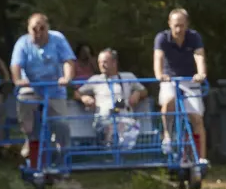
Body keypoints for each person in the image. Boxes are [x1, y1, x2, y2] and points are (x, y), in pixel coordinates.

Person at [10, 14, 77, 165]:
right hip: (31, 87)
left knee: (61, 124)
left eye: (42, 29)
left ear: (48, 28)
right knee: (25, 109)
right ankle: (31, 143)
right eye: (34, 29)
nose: (38, 33)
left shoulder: (58, 39)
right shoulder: (22, 43)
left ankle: (63, 159)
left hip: (55, 89)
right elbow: (16, 65)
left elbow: (68, 60)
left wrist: (66, 78)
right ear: (28, 29)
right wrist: (18, 80)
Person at [152, 9, 209, 160]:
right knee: (168, 101)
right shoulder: (162, 38)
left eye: (182, 26)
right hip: (169, 79)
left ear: (187, 25)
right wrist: (159, 75)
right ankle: (167, 135)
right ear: (169, 24)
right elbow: (158, 57)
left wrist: (201, 73)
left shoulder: (194, 37)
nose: (178, 29)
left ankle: (201, 158)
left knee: (197, 118)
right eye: (176, 25)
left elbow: (199, 55)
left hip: (189, 80)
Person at [78, 48, 147, 147]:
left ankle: (115, 148)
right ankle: (114, 148)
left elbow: (144, 91)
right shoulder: (95, 80)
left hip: (125, 118)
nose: (101, 65)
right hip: (103, 120)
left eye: (105, 62)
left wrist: (137, 93)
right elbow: (77, 93)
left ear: (114, 63)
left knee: (123, 124)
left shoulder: (128, 77)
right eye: (99, 62)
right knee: (111, 125)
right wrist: (83, 97)